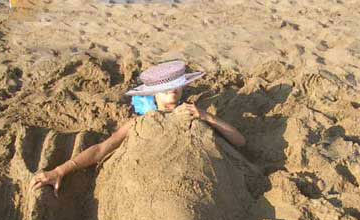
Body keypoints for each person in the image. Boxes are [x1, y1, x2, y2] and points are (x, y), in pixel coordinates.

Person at [31, 60, 246, 196]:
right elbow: (102, 149)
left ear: (182, 87)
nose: (171, 90)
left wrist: (206, 116)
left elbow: (239, 141)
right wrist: (59, 171)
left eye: (175, 85)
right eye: (164, 87)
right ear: (152, 93)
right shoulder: (138, 122)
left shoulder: (193, 113)